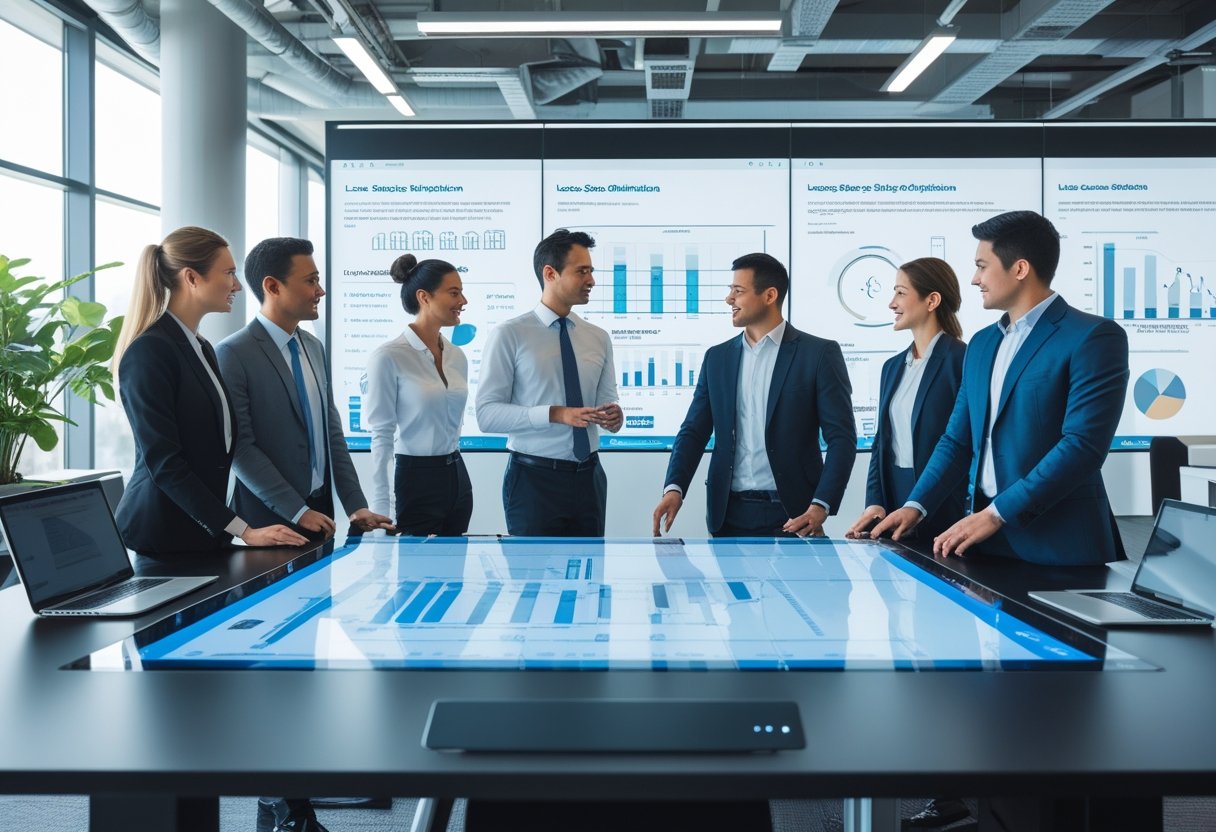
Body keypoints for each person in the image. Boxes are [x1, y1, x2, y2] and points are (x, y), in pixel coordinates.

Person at [870, 210, 1130, 566]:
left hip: (1058, 545)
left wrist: (997, 513)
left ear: (1020, 268)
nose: (975, 279)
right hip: (980, 544)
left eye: (982, 265)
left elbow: (1082, 446)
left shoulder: (1092, 337)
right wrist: (916, 505)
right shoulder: (981, 345)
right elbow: (956, 440)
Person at [112, 226, 308, 556]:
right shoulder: (149, 352)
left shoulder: (201, 348)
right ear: (191, 278)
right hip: (159, 538)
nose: (237, 285)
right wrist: (243, 530)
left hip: (201, 533)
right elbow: (165, 465)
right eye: (229, 273)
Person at [653, 252, 856, 538]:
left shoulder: (819, 354)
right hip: (728, 514)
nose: (729, 299)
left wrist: (821, 505)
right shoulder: (717, 358)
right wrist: (674, 488)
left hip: (795, 514)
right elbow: (694, 431)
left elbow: (842, 438)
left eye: (738, 291)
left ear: (770, 295)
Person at [215, 237, 393, 542]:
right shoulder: (233, 353)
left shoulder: (312, 346)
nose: (320, 291)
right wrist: (297, 511)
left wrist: (355, 505)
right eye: (311, 281)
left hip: (321, 514)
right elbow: (241, 448)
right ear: (273, 287)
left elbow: (331, 433)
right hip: (269, 521)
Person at [475, 228, 623, 537]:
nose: (591, 280)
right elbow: (486, 415)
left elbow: (608, 402)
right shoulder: (510, 335)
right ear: (550, 273)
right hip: (533, 480)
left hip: (590, 479)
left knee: (590, 578)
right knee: (534, 582)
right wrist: (556, 413)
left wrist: (613, 417)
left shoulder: (598, 338)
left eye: (591, 271)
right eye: (582, 271)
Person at [845, 257, 967, 544]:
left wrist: (920, 503)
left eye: (901, 292)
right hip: (894, 499)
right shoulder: (892, 367)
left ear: (932, 300)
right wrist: (874, 502)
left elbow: (963, 445)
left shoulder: (962, 361)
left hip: (944, 503)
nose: (891, 303)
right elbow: (881, 443)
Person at [364, 254, 473, 535]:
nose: (463, 301)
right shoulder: (388, 356)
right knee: (412, 575)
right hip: (415, 478)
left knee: (455, 574)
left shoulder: (456, 355)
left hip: (457, 477)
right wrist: (381, 507)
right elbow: (382, 435)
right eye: (454, 293)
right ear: (424, 297)